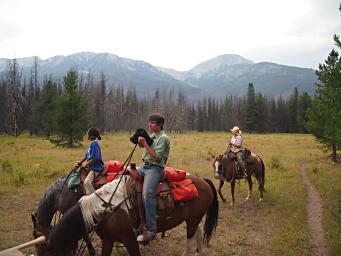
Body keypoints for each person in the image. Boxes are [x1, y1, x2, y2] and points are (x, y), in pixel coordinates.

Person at [136, 113, 170, 243]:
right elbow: (145, 147)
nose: (150, 125)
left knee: (147, 193)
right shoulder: (152, 136)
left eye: (153, 123)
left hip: (156, 168)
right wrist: (140, 142)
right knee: (126, 174)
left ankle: (151, 228)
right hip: (145, 166)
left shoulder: (163, 138)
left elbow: (156, 157)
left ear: (160, 124)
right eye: (149, 122)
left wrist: (144, 144)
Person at [74, 127, 104, 195]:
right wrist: (80, 162)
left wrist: (86, 164)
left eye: (88, 134)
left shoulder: (94, 143)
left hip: (96, 168)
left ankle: (95, 198)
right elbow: (86, 155)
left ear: (91, 136)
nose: (87, 135)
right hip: (92, 167)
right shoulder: (92, 144)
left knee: (87, 182)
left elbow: (96, 158)